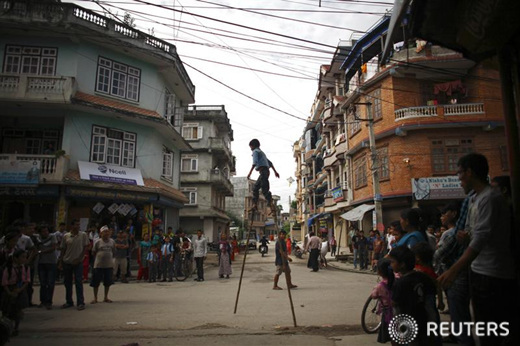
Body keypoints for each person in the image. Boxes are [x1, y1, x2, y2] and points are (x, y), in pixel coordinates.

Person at [438, 153, 516, 346]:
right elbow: (476, 235)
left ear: (470, 172)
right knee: (483, 327)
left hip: (493, 274)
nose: (458, 179)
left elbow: (481, 240)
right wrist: (465, 238)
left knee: (492, 332)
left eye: (459, 173)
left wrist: (453, 270)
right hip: (478, 271)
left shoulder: (490, 198)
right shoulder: (474, 199)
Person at [388, 246, 438, 346]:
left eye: (392, 262)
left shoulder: (400, 283)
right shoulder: (422, 277)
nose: (390, 265)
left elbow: (394, 303)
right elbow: (432, 293)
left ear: (402, 264)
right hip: (424, 319)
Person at [59, 219, 89, 311]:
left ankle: (80, 302)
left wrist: (80, 258)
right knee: (67, 282)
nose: (78, 226)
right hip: (67, 261)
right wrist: (61, 261)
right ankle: (69, 301)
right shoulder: (66, 236)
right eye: (76, 224)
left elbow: (85, 247)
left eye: (79, 225)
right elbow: (63, 249)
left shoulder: (83, 235)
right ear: (72, 226)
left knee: (78, 282)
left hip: (78, 262)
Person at [246, 138, 280, 214]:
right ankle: (255, 205)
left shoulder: (255, 151)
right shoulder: (262, 153)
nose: (250, 149)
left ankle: (271, 205)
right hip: (265, 172)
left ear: (253, 146)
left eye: (250, 147)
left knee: (264, 190)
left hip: (264, 172)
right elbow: (270, 163)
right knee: (255, 188)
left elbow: (254, 163)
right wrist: (275, 172)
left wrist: (249, 173)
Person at [1, 250, 30, 337]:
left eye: (25, 257)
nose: (24, 259)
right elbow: (4, 282)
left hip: (20, 289)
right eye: (22, 257)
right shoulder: (8, 268)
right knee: (7, 309)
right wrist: (9, 292)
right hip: (9, 289)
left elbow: (27, 280)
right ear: (15, 258)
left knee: (18, 310)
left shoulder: (25, 267)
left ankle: (16, 328)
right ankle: (6, 327)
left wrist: (19, 290)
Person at [370, 258, 394, 343]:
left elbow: (373, 295)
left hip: (387, 313)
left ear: (379, 272)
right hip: (398, 310)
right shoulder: (397, 279)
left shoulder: (380, 286)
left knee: (391, 335)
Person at [90, 226, 115, 304]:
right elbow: (93, 252)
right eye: (105, 232)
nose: (106, 233)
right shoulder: (98, 242)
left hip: (109, 265)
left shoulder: (112, 241)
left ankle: (106, 297)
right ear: (101, 233)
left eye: (108, 231)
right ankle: (95, 298)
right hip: (98, 265)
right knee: (96, 282)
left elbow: (114, 251)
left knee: (107, 282)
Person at [36, 224, 57, 310]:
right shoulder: (38, 238)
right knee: (43, 283)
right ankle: (43, 301)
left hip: (51, 262)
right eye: (43, 231)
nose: (46, 233)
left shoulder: (52, 236)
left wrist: (41, 252)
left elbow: (53, 248)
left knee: (50, 283)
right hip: (41, 263)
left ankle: (49, 301)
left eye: (47, 231)